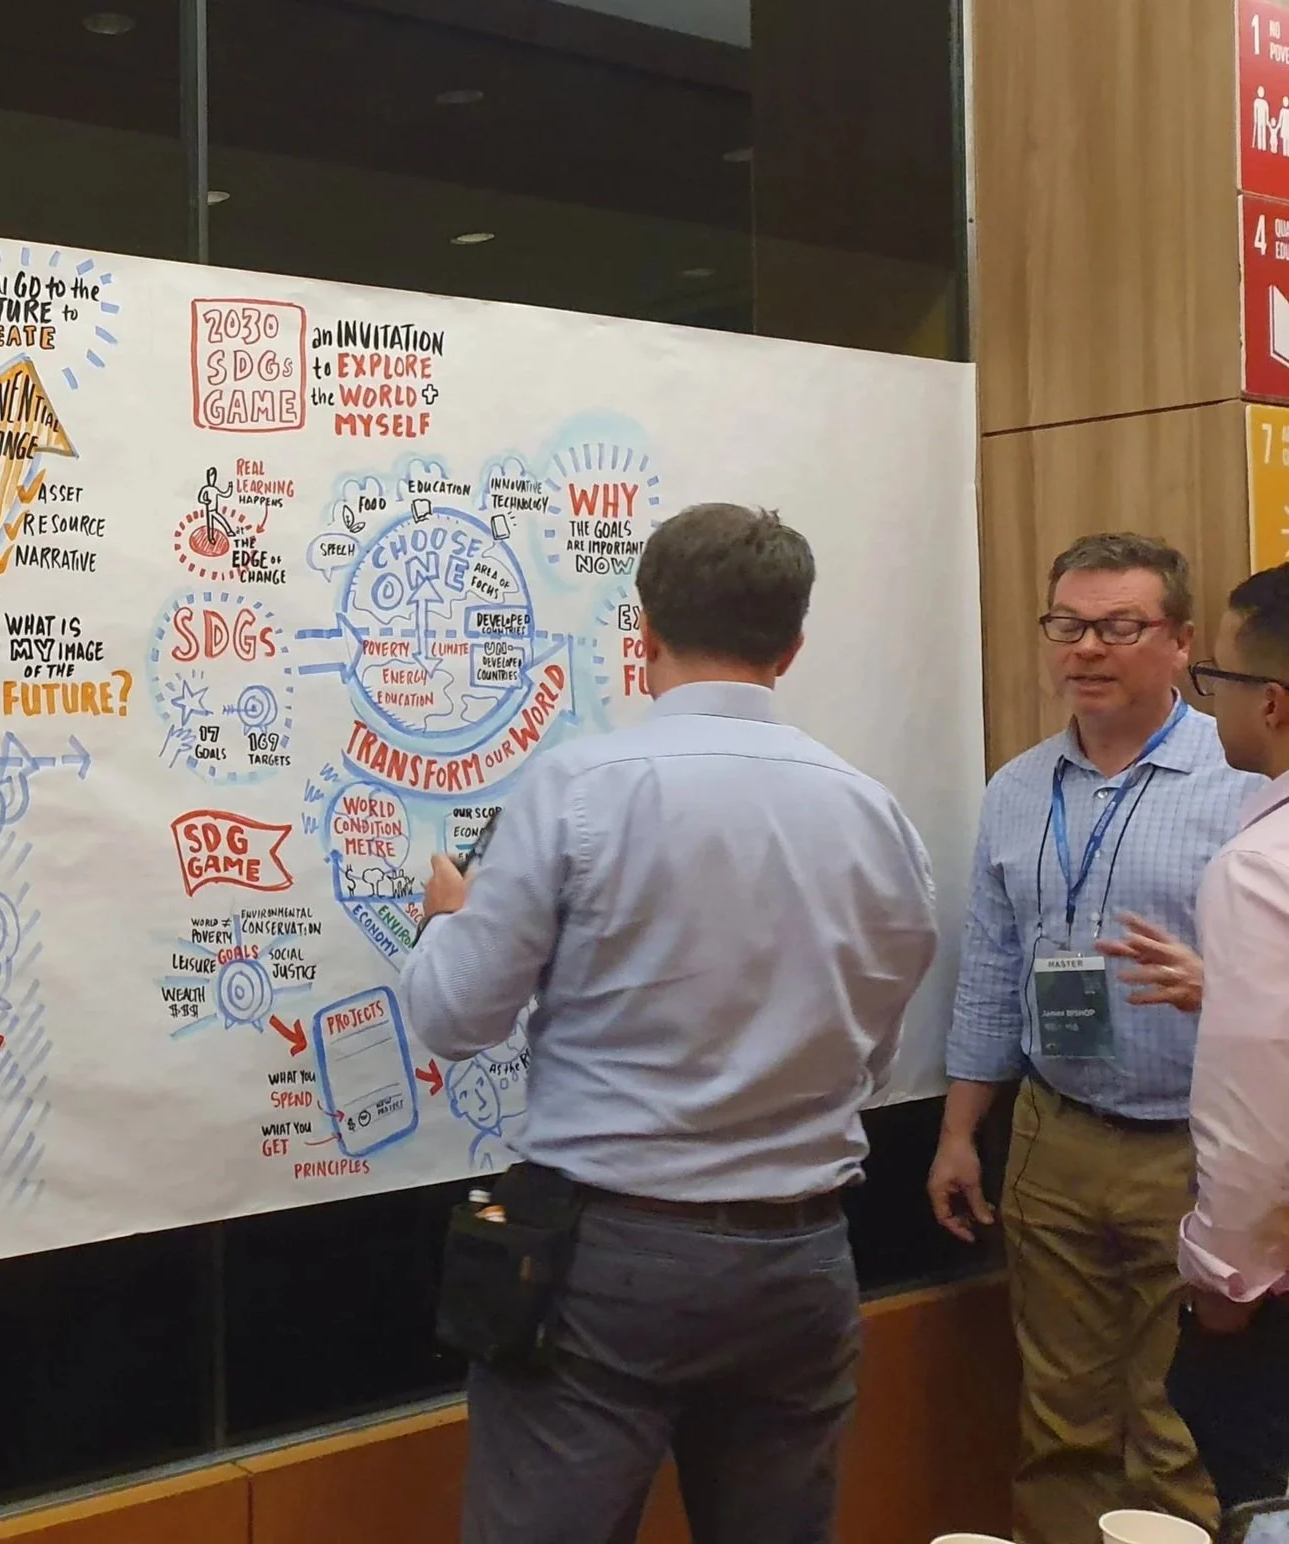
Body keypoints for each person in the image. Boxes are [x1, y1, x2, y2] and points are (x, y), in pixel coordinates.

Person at [401, 502, 939, 1544]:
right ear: (791, 646)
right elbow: (874, 1052)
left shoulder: (579, 789)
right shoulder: (875, 812)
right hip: (804, 1255)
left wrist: (444, 924)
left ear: (641, 633)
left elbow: (456, 1015)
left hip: (608, 1256)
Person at [926, 533, 1258, 1544]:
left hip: (1197, 1148)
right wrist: (956, 1132)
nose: (1087, 649)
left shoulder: (1245, 780)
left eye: (1121, 626)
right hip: (1054, 1135)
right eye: (1067, 625)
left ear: (1181, 641)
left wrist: (1224, 988)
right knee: (1060, 1416)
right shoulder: (1019, 787)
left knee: (1176, 1426)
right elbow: (989, 967)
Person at [1152, 564, 1289, 1510]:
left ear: (1273, 705)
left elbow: (1253, 1135)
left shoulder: (1258, 869)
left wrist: (1221, 1289)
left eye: (1219, 680)